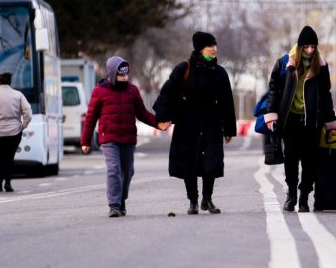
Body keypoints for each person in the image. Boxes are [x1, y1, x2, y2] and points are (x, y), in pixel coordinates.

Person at [153, 31, 237, 215]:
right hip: (187, 124)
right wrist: (162, 117)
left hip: (211, 124)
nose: (214, 49)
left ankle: (207, 199)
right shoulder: (184, 69)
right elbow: (167, 93)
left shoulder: (219, 72)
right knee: (189, 162)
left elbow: (227, 102)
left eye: (215, 45)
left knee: (211, 162)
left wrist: (229, 128)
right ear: (200, 49)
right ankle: (193, 200)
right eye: (210, 46)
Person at [263, 26, 336, 213]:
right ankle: (291, 195)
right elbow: (273, 90)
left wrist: (330, 120)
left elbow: (325, 94)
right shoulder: (284, 63)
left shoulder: (321, 66)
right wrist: (271, 114)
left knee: (310, 160)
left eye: (313, 46)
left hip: (312, 121)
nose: (310, 50)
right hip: (290, 119)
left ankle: (304, 196)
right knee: (291, 158)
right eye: (306, 46)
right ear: (299, 46)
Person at [80, 57, 164, 217]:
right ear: (112, 74)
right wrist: (85, 141)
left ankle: (121, 199)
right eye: (121, 75)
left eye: (126, 74)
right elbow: (90, 118)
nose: (125, 78)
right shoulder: (99, 91)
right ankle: (114, 204)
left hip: (128, 138)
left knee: (128, 172)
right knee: (113, 169)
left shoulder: (132, 90)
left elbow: (142, 113)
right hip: (109, 138)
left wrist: (158, 124)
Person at [0, 71, 32, 192]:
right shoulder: (18, 95)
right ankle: (8, 182)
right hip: (14, 132)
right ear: (10, 82)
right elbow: (28, 112)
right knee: (10, 157)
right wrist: (23, 125)